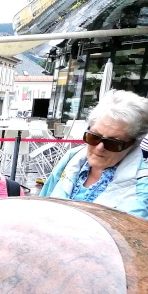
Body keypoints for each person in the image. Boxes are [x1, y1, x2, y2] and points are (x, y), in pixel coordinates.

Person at [41, 89, 148, 217]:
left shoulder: (143, 186)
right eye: (93, 137)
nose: (99, 147)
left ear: (134, 143)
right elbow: (42, 205)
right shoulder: (72, 157)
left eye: (113, 143)